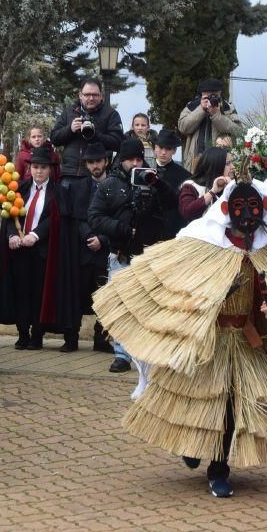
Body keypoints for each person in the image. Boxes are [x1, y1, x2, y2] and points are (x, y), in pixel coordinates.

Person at [94, 161, 267, 497]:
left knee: (234, 405)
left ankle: (220, 469)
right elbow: (180, 286)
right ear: (227, 210)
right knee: (198, 395)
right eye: (239, 209)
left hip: (245, 343)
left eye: (252, 209)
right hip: (209, 339)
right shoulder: (205, 243)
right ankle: (190, 447)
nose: (246, 216)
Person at [89, 139, 180, 373]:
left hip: (148, 254)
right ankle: (121, 354)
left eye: (139, 159)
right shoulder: (109, 184)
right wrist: (120, 229)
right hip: (120, 255)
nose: (135, 164)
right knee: (120, 307)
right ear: (122, 160)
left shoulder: (153, 180)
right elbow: (95, 217)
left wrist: (157, 184)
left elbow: (173, 204)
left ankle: (144, 354)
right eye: (130, 159)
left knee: (146, 307)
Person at [0, 147, 78, 351]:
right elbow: (10, 213)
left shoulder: (59, 192)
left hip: (43, 251)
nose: (39, 171)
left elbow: (54, 220)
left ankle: (37, 335)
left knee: (39, 294)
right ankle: (22, 334)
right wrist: (11, 234)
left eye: (43, 168)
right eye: (35, 167)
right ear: (30, 168)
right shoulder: (20, 188)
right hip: (19, 251)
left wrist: (35, 235)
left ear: (50, 170)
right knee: (21, 292)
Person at [69, 142, 113, 353]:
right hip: (83, 250)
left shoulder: (116, 185)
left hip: (106, 250)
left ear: (106, 162)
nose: (95, 165)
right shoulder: (79, 187)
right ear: (86, 165)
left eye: (98, 161)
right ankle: (71, 337)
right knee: (77, 293)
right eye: (91, 162)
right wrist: (90, 237)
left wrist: (102, 239)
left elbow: (117, 218)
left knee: (104, 296)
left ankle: (101, 338)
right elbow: (78, 216)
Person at [51, 77, 123, 188]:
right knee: (66, 205)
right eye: (87, 94)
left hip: (96, 175)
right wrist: (70, 129)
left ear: (101, 96)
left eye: (95, 95)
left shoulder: (110, 114)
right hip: (70, 174)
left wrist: (95, 134)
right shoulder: (68, 112)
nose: (91, 98)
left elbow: (117, 142)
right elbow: (54, 138)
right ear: (80, 95)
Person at [177, 77, 244, 171]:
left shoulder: (228, 108)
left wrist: (217, 115)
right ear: (202, 95)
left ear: (220, 93)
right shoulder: (192, 107)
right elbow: (183, 127)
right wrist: (201, 109)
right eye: (207, 96)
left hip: (221, 162)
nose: (211, 99)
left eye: (214, 95)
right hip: (195, 161)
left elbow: (238, 132)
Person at [178, 147, 235, 224]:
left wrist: (231, 189)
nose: (233, 167)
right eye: (228, 163)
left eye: (232, 162)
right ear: (216, 165)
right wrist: (212, 192)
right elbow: (187, 212)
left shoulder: (233, 185)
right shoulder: (191, 186)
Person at [151, 129, 191, 237]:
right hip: (147, 227)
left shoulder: (185, 176)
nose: (163, 152)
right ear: (155, 148)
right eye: (160, 147)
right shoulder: (144, 169)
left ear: (174, 151)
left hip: (172, 229)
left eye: (168, 149)